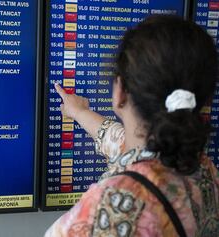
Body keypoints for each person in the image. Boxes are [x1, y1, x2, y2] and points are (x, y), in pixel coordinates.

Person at [45, 15, 219, 237]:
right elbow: (128, 145)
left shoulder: (110, 212)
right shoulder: (205, 172)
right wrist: (79, 113)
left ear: (120, 92)